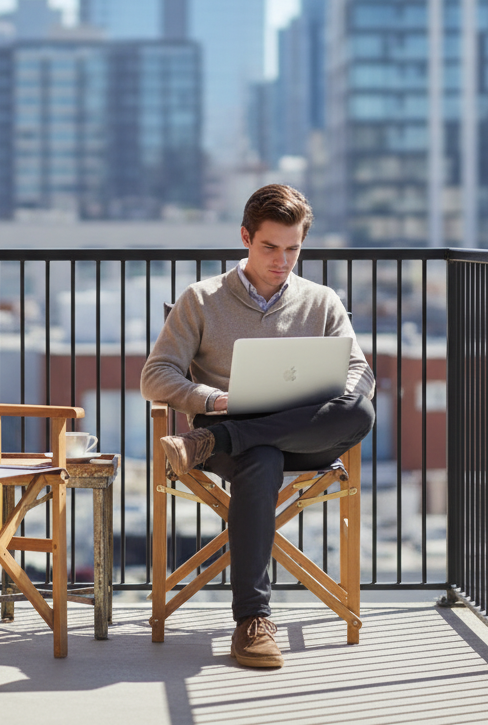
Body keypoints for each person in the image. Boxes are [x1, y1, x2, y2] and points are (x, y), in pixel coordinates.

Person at [140, 183, 375, 670]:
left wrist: (336, 390)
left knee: (360, 410)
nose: (281, 260)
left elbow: (359, 372)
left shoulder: (322, 301)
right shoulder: (201, 300)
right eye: (270, 247)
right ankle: (252, 621)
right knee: (260, 458)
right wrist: (215, 400)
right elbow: (155, 374)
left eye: (293, 249)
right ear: (245, 237)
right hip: (238, 437)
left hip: (295, 432)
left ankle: (216, 439)